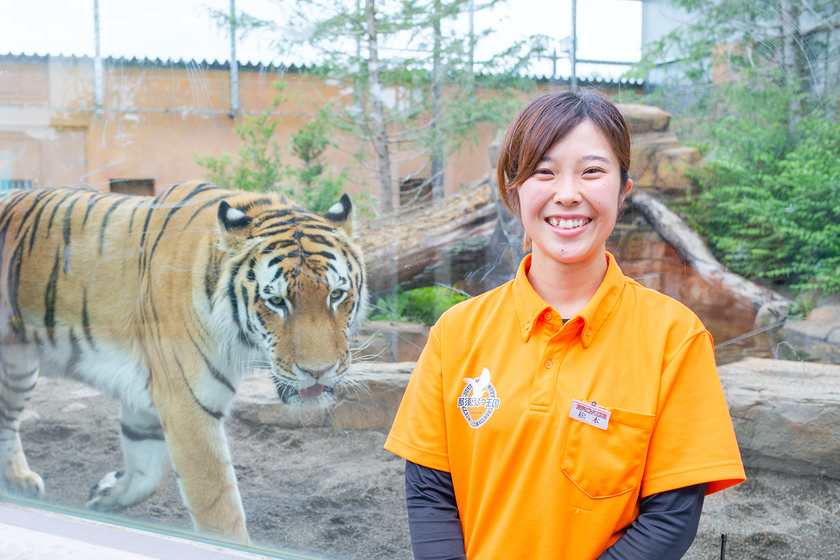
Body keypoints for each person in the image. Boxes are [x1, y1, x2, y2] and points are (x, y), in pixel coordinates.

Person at [384, 90, 746, 560]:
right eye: (544, 171)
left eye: (592, 171)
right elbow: (429, 493)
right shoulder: (456, 333)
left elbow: (670, 518)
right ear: (513, 191)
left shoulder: (674, 338)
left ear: (624, 190)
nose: (568, 193)